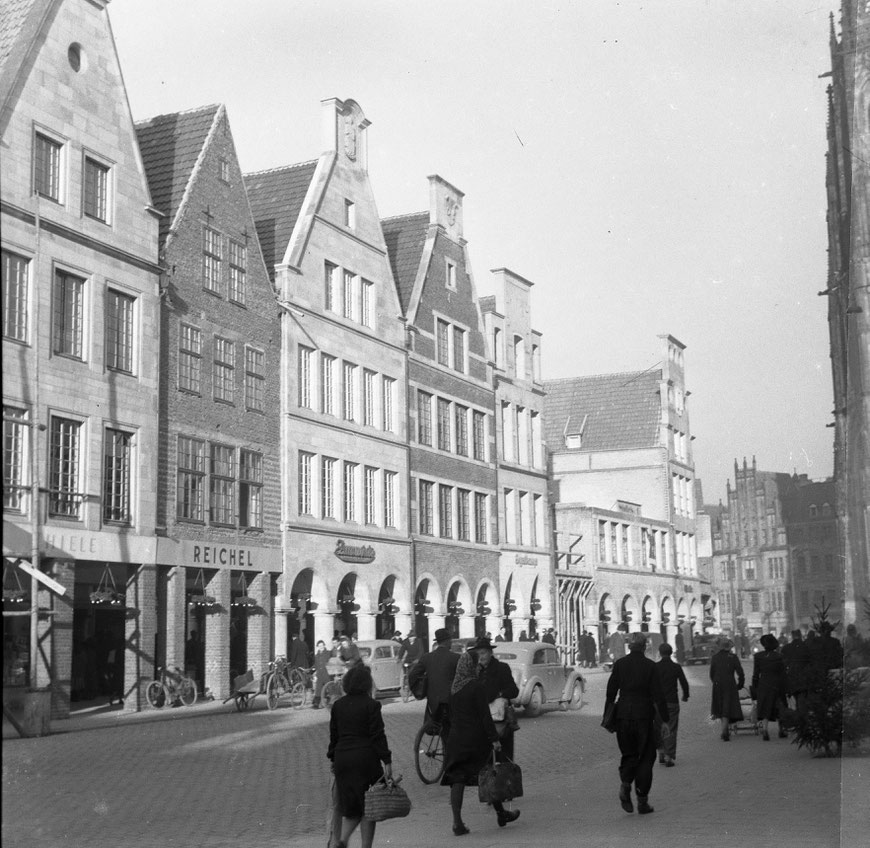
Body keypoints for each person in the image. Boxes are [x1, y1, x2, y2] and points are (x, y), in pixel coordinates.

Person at [441, 651, 520, 834]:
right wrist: (495, 740)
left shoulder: (454, 688)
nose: (478, 668)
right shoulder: (476, 687)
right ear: (470, 666)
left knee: (457, 779)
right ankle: (501, 813)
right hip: (475, 740)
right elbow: (485, 717)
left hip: (456, 740)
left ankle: (457, 823)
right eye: (476, 665)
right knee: (489, 774)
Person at [327, 663, 392, 848]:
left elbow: (334, 736)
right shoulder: (372, 705)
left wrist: (333, 758)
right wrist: (387, 760)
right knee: (369, 806)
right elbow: (378, 735)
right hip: (367, 760)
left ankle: (343, 840)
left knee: (352, 808)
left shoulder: (338, 706)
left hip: (343, 760)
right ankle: (365, 846)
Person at [604, 631, 669, 816]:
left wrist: (607, 714)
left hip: (623, 715)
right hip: (644, 716)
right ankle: (642, 801)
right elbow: (658, 695)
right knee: (647, 757)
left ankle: (625, 784)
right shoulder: (650, 666)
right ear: (644, 646)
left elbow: (610, 691)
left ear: (629, 646)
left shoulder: (620, 664)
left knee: (628, 754)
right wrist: (664, 719)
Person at [473, 636, 520, 759]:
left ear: (490, 653)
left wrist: (499, 694)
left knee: (503, 757)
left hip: (501, 721)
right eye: (478, 654)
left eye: (483, 653)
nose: (481, 657)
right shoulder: (475, 671)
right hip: (481, 720)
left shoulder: (502, 668)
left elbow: (514, 691)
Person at [409, 627, 459, 731]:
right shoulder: (456, 658)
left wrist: (421, 691)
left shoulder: (427, 657)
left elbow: (412, 675)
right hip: (452, 701)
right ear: (448, 641)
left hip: (433, 701)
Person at [654, 642, 689, 766]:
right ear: (671, 653)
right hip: (672, 702)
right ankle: (669, 756)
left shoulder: (655, 667)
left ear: (659, 652)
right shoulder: (676, 667)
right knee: (671, 728)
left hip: (658, 703)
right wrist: (686, 695)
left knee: (659, 727)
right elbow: (684, 683)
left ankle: (661, 752)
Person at [751, 633, 789, 741]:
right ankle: (781, 730)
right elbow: (783, 674)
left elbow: (755, 674)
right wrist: (786, 687)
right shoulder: (779, 656)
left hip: (764, 684)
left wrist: (755, 688)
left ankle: (765, 731)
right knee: (780, 707)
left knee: (765, 708)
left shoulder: (758, 656)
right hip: (777, 684)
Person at [709, 637, 745, 741]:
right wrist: (740, 684)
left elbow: (711, 673)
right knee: (728, 705)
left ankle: (724, 729)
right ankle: (725, 730)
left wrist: (715, 682)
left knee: (720, 706)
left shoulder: (715, 657)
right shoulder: (733, 657)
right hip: (730, 683)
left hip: (718, 684)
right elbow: (740, 672)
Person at [782, 629, 810, 714]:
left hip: (792, 675)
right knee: (802, 696)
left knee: (795, 696)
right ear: (800, 635)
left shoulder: (787, 648)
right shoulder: (806, 647)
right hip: (804, 675)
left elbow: (783, 662)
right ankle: (802, 714)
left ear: (792, 636)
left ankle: (798, 713)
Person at [312, 640, 332, 708]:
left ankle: (331, 700)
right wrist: (315, 671)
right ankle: (316, 703)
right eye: (319, 645)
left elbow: (330, 662)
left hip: (326, 672)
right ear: (317, 647)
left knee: (329, 687)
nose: (321, 647)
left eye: (322, 645)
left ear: (324, 645)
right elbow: (316, 664)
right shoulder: (317, 655)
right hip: (319, 673)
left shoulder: (328, 653)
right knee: (318, 688)